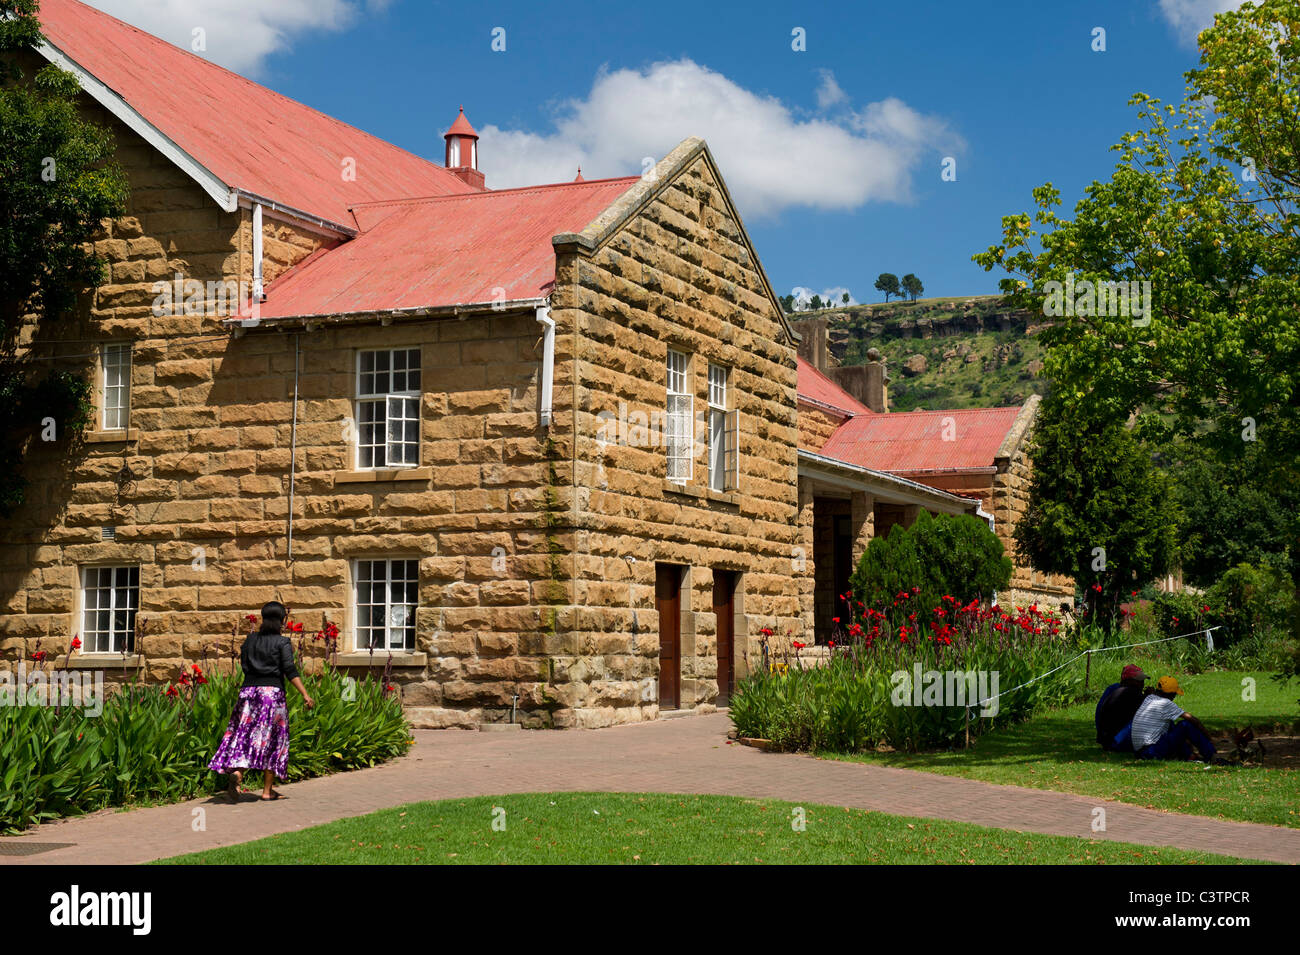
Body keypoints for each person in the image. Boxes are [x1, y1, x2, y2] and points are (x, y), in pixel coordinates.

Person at [209, 601, 315, 801]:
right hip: (271, 695)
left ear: (263, 619)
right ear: (282, 621)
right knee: (273, 739)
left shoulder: (250, 640)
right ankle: (267, 791)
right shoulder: (282, 642)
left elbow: (244, 664)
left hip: (248, 693)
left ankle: (238, 773)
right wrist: (305, 694)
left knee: (246, 735)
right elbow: (289, 670)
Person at [1130, 676, 1219, 763]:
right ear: (1172, 694)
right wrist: (1209, 739)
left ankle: (1189, 755)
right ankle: (1212, 755)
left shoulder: (1149, 698)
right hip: (1152, 752)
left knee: (1171, 724)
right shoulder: (1165, 703)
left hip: (1140, 752)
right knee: (1185, 725)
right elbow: (1193, 720)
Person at [1094, 664, 1149, 751]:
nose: (1142, 684)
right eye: (1138, 681)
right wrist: (1150, 697)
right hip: (1115, 742)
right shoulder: (1132, 693)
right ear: (1129, 681)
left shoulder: (1115, 690)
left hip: (1105, 739)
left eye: (1142, 681)